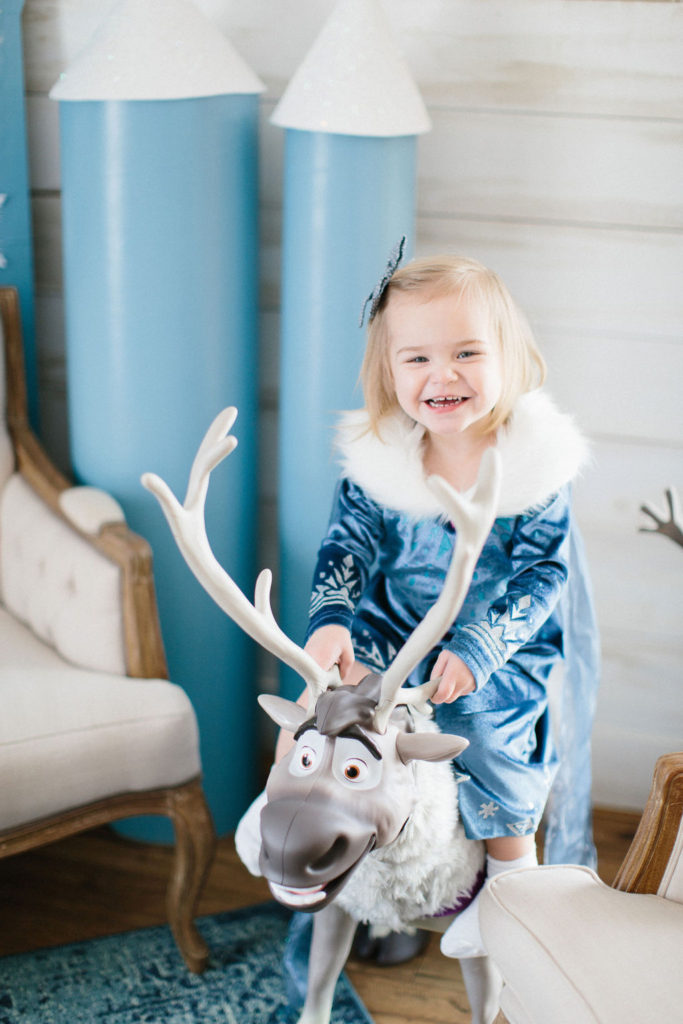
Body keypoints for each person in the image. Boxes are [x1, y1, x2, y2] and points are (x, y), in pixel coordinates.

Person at [286, 250, 600, 959]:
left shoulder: (531, 469)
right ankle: (330, 852)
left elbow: (543, 575)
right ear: (390, 372)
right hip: (393, 632)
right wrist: (332, 619)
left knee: (476, 727)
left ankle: (509, 884)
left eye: (466, 353)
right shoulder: (382, 461)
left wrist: (479, 649)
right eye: (418, 358)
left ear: (506, 356)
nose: (443, 375)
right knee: (331, 715)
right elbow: (347, 545)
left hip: (499, 645)